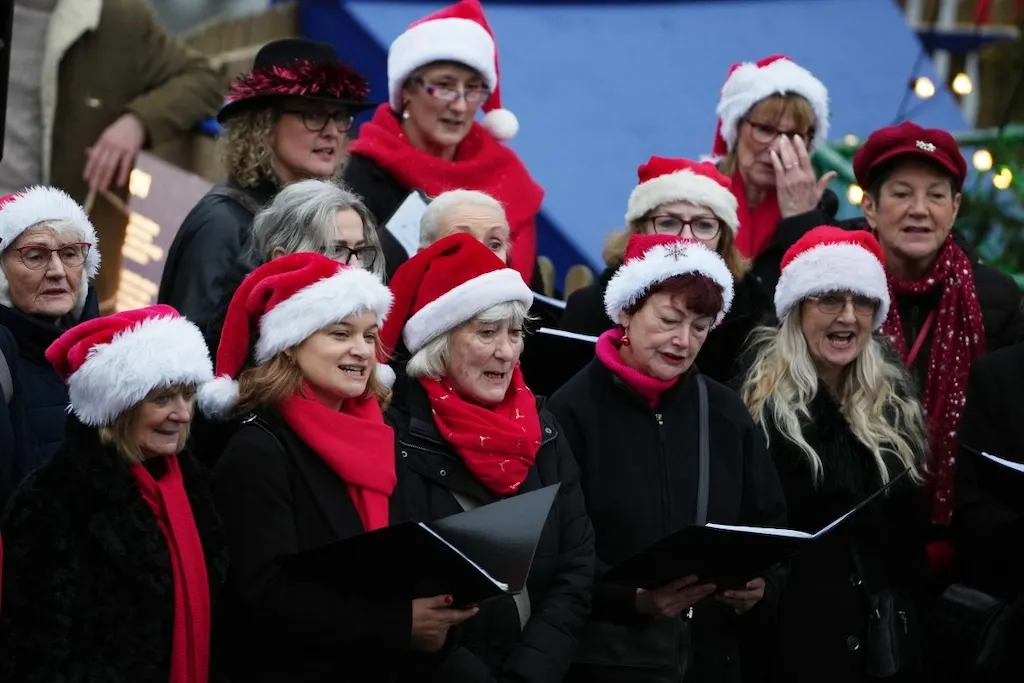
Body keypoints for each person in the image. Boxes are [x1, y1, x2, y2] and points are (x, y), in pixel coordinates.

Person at [199, 253, 473, 682]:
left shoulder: (379, 435)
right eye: (341, 334)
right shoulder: (258, 451)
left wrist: (440, 624)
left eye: (369, 336)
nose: (362, 351)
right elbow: (264, 597)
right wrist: (399, 625)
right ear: (290, 343)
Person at [548, 233, 787, 683]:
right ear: (626, 311)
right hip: (607, 660)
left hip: (708, 659)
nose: (683, 340)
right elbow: (551, 551)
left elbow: (769, 525)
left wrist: (762, 585)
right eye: (668, 319)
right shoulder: (571, 410)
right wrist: (632, 598)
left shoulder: (724, 411)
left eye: (699, 327)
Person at [378, 233, 595, 682]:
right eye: (487, 332)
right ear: (439, 341)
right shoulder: (393, 438)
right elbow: (394, 585)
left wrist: (531, 670)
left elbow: (575, 568)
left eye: (515, 333)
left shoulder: (544, 429)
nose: (506, 351)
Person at [740, 226, 930, 682]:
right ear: (797, 309)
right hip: (791, 647)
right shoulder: (752, 410)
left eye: (861, 301)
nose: (848, 317)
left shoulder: (895, 406)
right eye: (829, 299)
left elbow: (908, 556)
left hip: (879, 648)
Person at [0, 305, 227, 683]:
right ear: (117, 409)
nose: (183, 414)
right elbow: (36, 655)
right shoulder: (50, 504)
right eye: (162, 399)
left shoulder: (196, 485)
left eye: (188, 395)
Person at [853, 121, 1024, 578]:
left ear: (955, 208)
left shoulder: (997, 299)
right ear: (870, 206)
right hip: (855, 538)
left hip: (961, 547)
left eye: (935, 196)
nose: (919, 210)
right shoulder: (837, 293)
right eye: (902, 194)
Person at [159, 38, 375, 333]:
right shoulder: (223, 223)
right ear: (264, 123)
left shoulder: (321, 217)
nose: (332, 132)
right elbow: (189, 353)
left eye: (339, 117)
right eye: (312, 115)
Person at [344, 0, 545, 287]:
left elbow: (534, 293)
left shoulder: (504, 171)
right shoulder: (367, 174)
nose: (461, 106)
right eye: (445, 86)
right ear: (407, 92)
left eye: (473, 89)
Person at [561, 157, 773, 383]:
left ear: (723, 238)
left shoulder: (752, 312)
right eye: (669, 223)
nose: (686, 239)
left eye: (704, 226)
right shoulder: (591, 306)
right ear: (640, 228)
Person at [0, 186, 100, 495]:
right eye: (35, 256)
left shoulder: (111, 355)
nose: (57, 271)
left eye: (70, 254)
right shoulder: (3, 366)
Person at [710, 54, 839, 293]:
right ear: (736, 128)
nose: (777, 147)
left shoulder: (822, 209)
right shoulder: (696, 194)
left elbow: (819, 294)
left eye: (793, 135)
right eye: (765, 129)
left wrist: (801, 219)